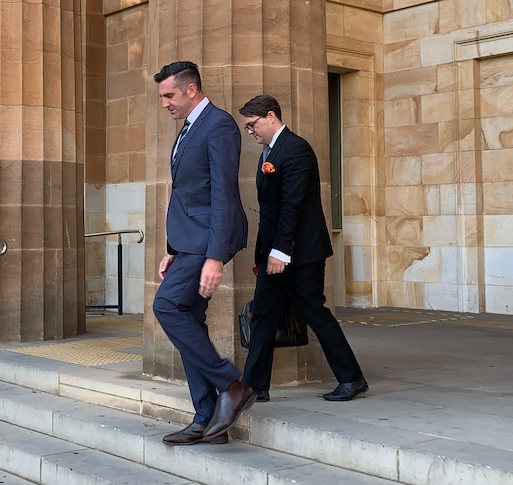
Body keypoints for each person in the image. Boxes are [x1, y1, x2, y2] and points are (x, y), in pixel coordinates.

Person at [238, 94, 368, 403]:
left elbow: (291, 206)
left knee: (314, 313)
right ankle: (254, 386)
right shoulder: (268, 152)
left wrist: (281, 251)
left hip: (301, 254)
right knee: (264, 316)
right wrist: (268, 252)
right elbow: (270, 210)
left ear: (271, 117)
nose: (251, 132)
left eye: (252, 125)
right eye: (247, 128)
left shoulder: (296, 150)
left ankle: (352, 379)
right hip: (276, 252)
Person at [152, 61, 255, 445]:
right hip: (189, 242)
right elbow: (188, 193)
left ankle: (232, 384)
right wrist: (174, 250)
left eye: (169, 95)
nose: (164, 103)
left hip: (207, 241)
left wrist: (214, 257)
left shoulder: (218, 124)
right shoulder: (187, 129)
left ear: (191, 89)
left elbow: (223, 193)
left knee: (167, 306)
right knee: (189, 317)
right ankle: (206, 420)